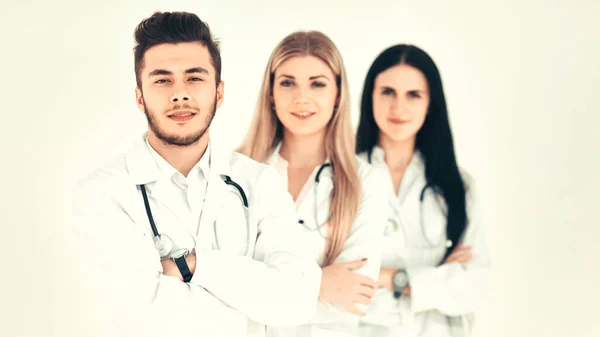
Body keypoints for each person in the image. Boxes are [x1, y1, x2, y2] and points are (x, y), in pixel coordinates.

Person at [71, 11, 322, 337]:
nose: (180, 94)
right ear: (139, 96)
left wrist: (191, 265)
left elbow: (297, 302)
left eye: (194, 77)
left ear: (218, 93)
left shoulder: (258, 182)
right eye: (162, 80)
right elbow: (141, 318)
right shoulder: (102, 193)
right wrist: (250, 301)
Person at [237, 31, 388, 337]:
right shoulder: (234, 173)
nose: (301, 98)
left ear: (337, 95)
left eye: (317, 84)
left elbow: (353, 298)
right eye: (288, 82)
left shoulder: (367, 181)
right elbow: (216, 286)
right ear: (271, 93)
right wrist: (321, 284)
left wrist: (261, 288)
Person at [355, 44, 491, 337]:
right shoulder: (342, 178)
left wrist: (391, 278)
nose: (398, 107)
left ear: (431, 103)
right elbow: (335, 280)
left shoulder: (458, 186)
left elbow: (475, 283)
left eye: (413, 95)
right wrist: (436, 276)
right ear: (370, 97)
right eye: (388, 92)